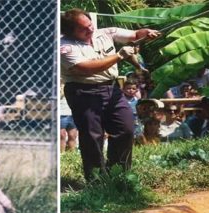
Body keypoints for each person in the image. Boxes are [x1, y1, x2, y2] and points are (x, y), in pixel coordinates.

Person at [60, 8, 160, 181]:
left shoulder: (104, 33)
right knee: (93, 136)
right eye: (83, 29)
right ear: (71, 32)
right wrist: (119, 56)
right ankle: (96, 179)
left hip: (111, 89)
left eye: (90, 25)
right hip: (84, 92)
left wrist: (147, 32)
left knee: (126, 127)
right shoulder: (64, 46)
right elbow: (84, 68)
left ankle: (119, 173)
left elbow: (135, 34)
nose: (90, 29)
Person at [59, 83, 78, 152]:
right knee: (62, 135)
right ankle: (62, 154)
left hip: (71, 114)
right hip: (61, 114)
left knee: (73, 135)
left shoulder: (71, 85)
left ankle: (72, 154)